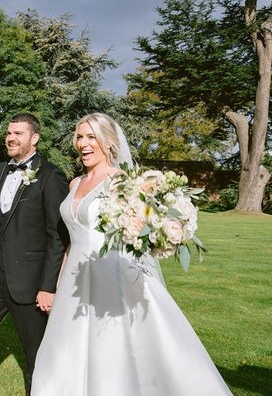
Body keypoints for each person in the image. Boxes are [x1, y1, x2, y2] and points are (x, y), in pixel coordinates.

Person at [31, 113, 232, 395]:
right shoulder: (75, 183)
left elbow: (141, 226)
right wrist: (57, 281)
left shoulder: (121, 181)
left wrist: (160, 229)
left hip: (110, 273)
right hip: (74, 279)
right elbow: (72, 239)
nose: (84, 144)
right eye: (80, 137)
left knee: (113, 346)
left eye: (91, 137)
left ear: (108, 143)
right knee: (66, 348)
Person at [0, 112, 70, 396]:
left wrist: (48, 287)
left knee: (35, 354)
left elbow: (57, 236)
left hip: (29, 279)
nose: (10, 138)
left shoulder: (51, 175)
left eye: (18, 134)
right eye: (8, 133)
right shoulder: (2, 169)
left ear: (34, 139)